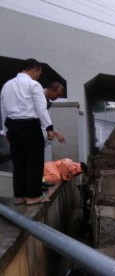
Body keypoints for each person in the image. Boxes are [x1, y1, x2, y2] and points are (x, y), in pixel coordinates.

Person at [0, 58, 55, 205]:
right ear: (34, 70)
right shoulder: (33, 84)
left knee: (18, 162)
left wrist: (6, 131)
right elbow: (41, 109)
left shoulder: (7, 85)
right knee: (34, 161)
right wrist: (49, 128)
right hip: (29, 126)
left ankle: (20, 196)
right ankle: (33, 197)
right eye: (39, 73)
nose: (38, 76)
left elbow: (3, 110)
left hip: (12, 127)